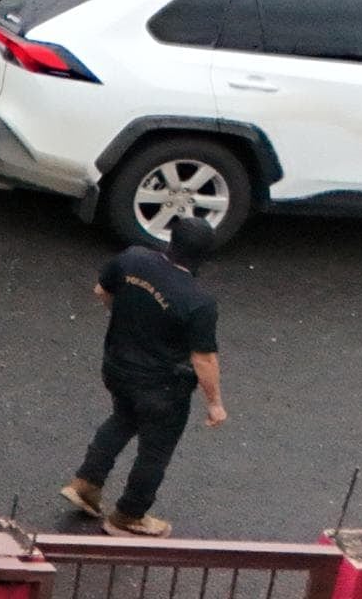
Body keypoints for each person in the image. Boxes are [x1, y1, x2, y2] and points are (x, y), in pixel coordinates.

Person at [66, 222, 227, 535]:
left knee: (122, 419)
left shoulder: (133, 259)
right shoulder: (198, 302)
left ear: (171, 240)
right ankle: (128, 515)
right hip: (162, 388)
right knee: (155, 452)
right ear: (204, 255)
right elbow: (203, 358)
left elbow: (102, 291)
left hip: (117, 366)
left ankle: (85, 484)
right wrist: (215, 403)